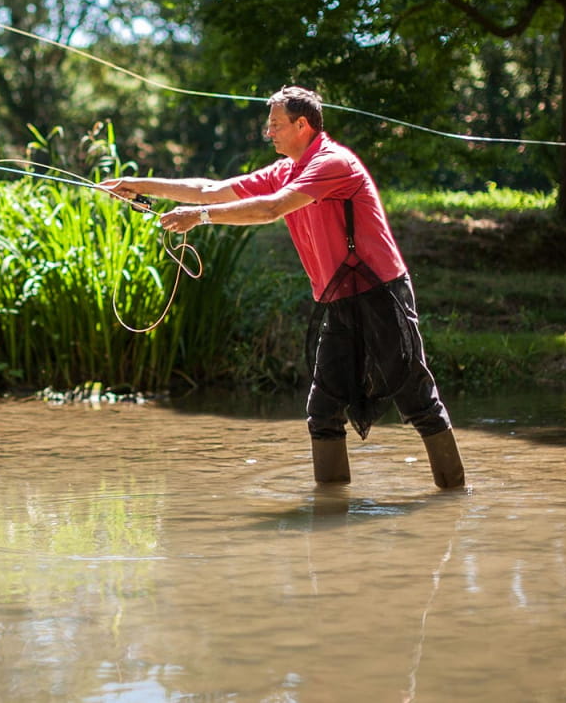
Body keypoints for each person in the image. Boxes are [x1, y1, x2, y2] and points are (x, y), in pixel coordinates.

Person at [99, 86, 465, 489]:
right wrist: (137, 184)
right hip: (338, 301)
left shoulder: (332, 163)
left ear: (302, 124)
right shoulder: (287, 168)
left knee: (416, 401)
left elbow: (272, 209)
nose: (268, 133)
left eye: (274, 125)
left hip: (381, 293)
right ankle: (329, 513)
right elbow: (210, 188)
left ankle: (453, 494)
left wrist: (200, 218)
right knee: (323, 411)